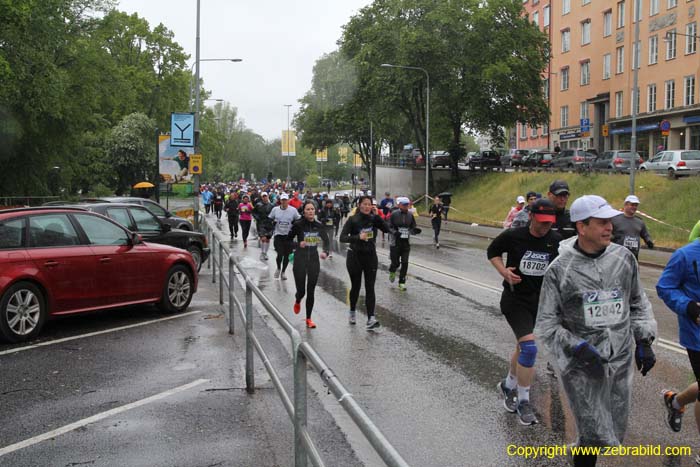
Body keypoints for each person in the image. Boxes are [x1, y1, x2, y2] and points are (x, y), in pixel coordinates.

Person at [535, 195, 657, 466]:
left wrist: (644, 340)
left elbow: (638, 302)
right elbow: (546, 323)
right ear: (582, 226)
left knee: (613, 429)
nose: (609, 228)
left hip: (621, 358)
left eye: (609, 222)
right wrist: (576, 347)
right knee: (591, 430)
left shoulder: (623, 259)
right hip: (582, 362)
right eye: (601, 222)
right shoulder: (559, 270)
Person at [487, 199, 562, 426]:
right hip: (515, 300)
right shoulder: (514, 236)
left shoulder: (555, 241)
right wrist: (504, 272)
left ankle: (508, 385)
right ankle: (523, 401)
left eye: (549, 223)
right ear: (531, 216)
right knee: (529, 348)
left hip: (539, 302)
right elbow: (492, 252)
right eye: (541, 222)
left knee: (522, 346)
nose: (545, 227)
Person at [656, 236, 700, 444]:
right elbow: (665, 287)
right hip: (697, 336)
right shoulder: (685, 255)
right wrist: (688, 306)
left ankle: (676, 401)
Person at [340, 195, 390, 330]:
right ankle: (352, 311)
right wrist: (358, 237)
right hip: (355, 256)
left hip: (370, 257)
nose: (367, 207)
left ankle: (371, 318)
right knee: (356, 286)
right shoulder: (353, 219)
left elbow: (387, 229)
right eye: (365, 204)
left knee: (370, 287)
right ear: (360, 205)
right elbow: (342, 238)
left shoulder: (374, 219)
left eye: (370, 204)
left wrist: (378, 216)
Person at [287, 201, 331, 328]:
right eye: (308, 209)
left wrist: (325, 252)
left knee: (311, 290)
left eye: (312, 209)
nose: (311, 211)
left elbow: (326, 241)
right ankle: (298, 299)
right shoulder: (298, 225)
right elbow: (287, 241)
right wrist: (297, 244)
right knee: (302, 291)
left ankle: (308, 318)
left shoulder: (318, 225)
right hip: (300, 260)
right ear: (303, 212)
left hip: (313, 260)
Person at [387, 197, 419, 290]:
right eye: (404, 204)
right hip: (395, 242)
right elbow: (388, 227)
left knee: (405, 263)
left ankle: (402, 282)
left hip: (406, 242)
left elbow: (413, 226)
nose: (406, 206)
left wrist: (414, 231)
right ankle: (392, 270)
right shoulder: (394, 214)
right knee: (395, 263)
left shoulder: (410, 215)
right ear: (399, 205)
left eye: (407, 205)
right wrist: (395, 232)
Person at [269, 193, 300, 279]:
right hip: (278, 234)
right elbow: (269, 219)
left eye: (285, 200)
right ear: (280, 201)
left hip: (288, 235)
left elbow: (298, 219)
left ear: (288, 201)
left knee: (286, 255)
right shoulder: (275, 209)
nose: (284, 202)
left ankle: (283, 272)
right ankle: (278, 268)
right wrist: (272, 223)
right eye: (282, 200)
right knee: (280, 253)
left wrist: (295, 224)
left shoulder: (293, 210)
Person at [611, 194, 654, 259]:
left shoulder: (639, 222)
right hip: (618, 256)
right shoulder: (615, 219)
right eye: (632, 205)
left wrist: (649, 241)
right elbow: (607, 233)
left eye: (636, 205)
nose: (634, 207)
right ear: (625, 205)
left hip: (633, 257)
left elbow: (645, 234)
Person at [253, 193, 275, 261]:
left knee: (268, 239)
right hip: (261, 223)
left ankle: (265, 253)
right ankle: (262, 252)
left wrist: (273, 220)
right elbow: (254, 212)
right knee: (263, 238)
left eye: (266, 196)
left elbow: (274, 213)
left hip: (269, 224)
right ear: (262, 197)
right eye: (263, 196)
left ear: (268, 197)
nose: (265, 198)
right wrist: (257, 218)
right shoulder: (258, 205)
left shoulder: (271, 205)